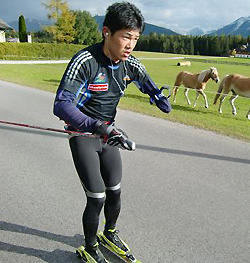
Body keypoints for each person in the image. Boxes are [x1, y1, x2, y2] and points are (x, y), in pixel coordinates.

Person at [53, 2, 171, 262]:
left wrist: (158, 96)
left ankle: (110, 233)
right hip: (84, 135)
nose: (130, 45)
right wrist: (97, 126)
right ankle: (91, 247)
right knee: (97, 196)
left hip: (109, 135)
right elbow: (61, 104)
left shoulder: (130, 64)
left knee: (115, 191)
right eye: (126, 37)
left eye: (136, 38)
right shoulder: (86, 61)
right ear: (107, 32)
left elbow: (146, 82)